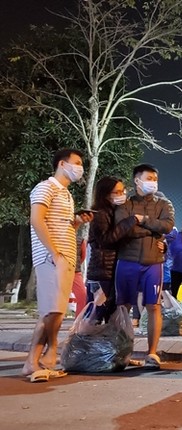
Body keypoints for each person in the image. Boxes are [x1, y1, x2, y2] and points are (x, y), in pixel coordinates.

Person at [22, 148, 93, 382]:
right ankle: (40, 357)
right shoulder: (46, 187)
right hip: (51, 257)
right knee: (51, 310)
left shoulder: (67, 195)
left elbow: (62, 226)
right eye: (77, 163)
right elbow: (36, 219)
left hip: (66, 257)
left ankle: (42, 359)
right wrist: (54, 252)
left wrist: (77, 221)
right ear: (62, 164)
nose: (79, 168)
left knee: (57, 312)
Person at [114, 163, 175, 369]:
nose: (153, 182)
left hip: (153, 263)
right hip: (127, 261)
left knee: (154, 306)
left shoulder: (164, 204)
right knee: (124, 307)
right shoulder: (125, 204)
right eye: (149, 178)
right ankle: (123, 353)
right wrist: (153, 231)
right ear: (137, 180)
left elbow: (167, 226)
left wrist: (142, 220)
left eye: (155, 178)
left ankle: (152, 353)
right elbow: (123, 229)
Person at [85, 176, 138, 323]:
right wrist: (130, 221)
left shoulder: (114, 211)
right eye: (117, 191)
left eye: (123, 191)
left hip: (112, 267)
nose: (122, 194)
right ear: (106, 193)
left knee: (109, 310)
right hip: (104, 269)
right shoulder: (101, 213)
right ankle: (86, 341)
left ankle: (102, 341)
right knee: (98, 312)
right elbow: (105, 239)